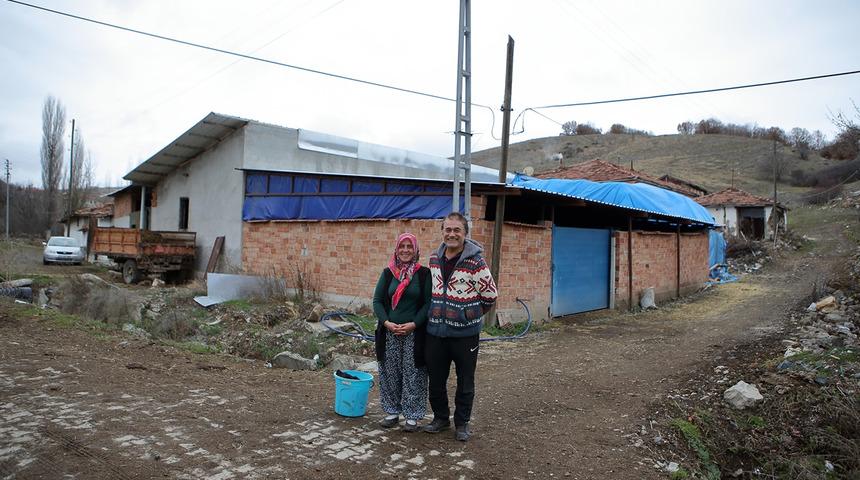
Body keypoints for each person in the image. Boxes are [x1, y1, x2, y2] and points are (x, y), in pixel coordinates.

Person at [423, 212, 497, 442]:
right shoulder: (434, 258)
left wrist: (467, 315)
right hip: (436, 331)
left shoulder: (476, 261)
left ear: (465, 234)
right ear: (442, 232)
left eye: (457, 230)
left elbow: (490, 295)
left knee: (465, 380)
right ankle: (441, 418)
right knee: (436, 379)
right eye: (448, 230)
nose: (452, 234)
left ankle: (462, 423)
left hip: (465, 335)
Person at [372, 232, 432, 432]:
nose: (405, 250)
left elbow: (427, 304)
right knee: (390, 372)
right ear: (396, 249)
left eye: (409, 247)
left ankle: (413, 416)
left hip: (414, 333)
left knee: (413, 373)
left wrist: (414, 324)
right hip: (390, 332)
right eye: (402, 246)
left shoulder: (423, 274)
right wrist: (387, 323)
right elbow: (378, 301)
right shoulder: (388, 273)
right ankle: (392, 412)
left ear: (416, 250)